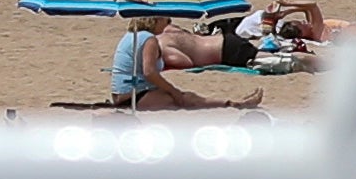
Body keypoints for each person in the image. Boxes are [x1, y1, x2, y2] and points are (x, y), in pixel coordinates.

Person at [112, 15, 263, 110]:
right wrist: (173, 90)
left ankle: (233, 103)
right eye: (166, 19)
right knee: (187, 99)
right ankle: (234, 104)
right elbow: (149, 72)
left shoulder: (132, 35)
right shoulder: (149, 39)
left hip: (124, 92)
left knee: (186, 97)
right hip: (133, 96)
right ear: (155, 20)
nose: (167, 24)